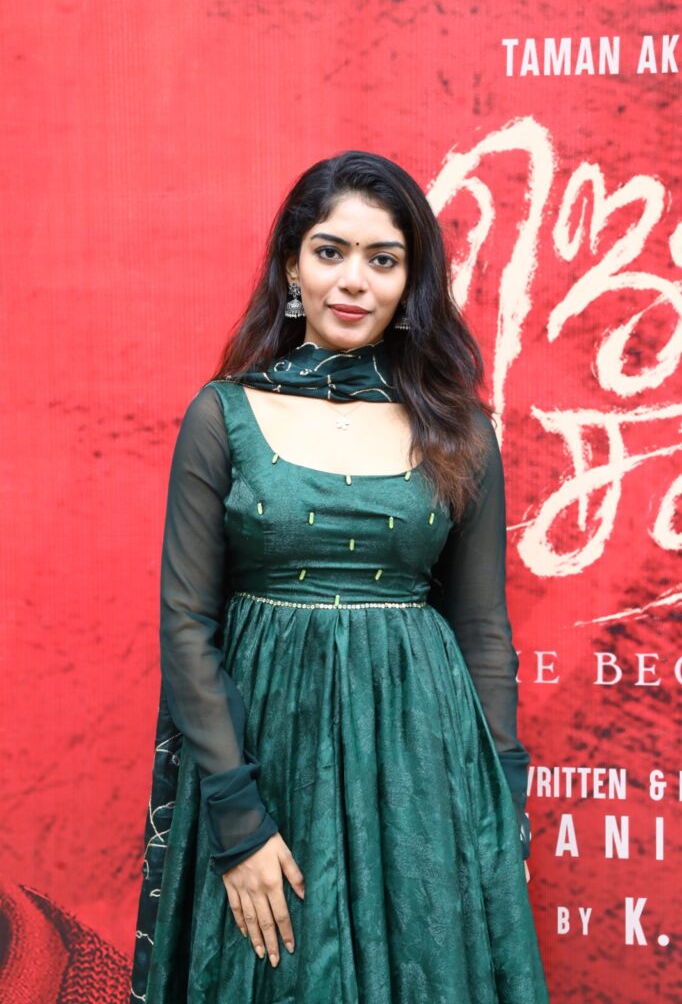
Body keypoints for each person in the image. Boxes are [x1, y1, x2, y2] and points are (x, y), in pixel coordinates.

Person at [130, 150, 549, 1003]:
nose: (354, 280)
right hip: (266, 758)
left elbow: (482, 629)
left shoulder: (459, 429)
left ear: (410, 281)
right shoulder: (223, 415)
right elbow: (186, 626)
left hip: (421, 768)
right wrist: (238, 821)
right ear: (293, 266)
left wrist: (501, 807)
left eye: (382, 259)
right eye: (330, 252)